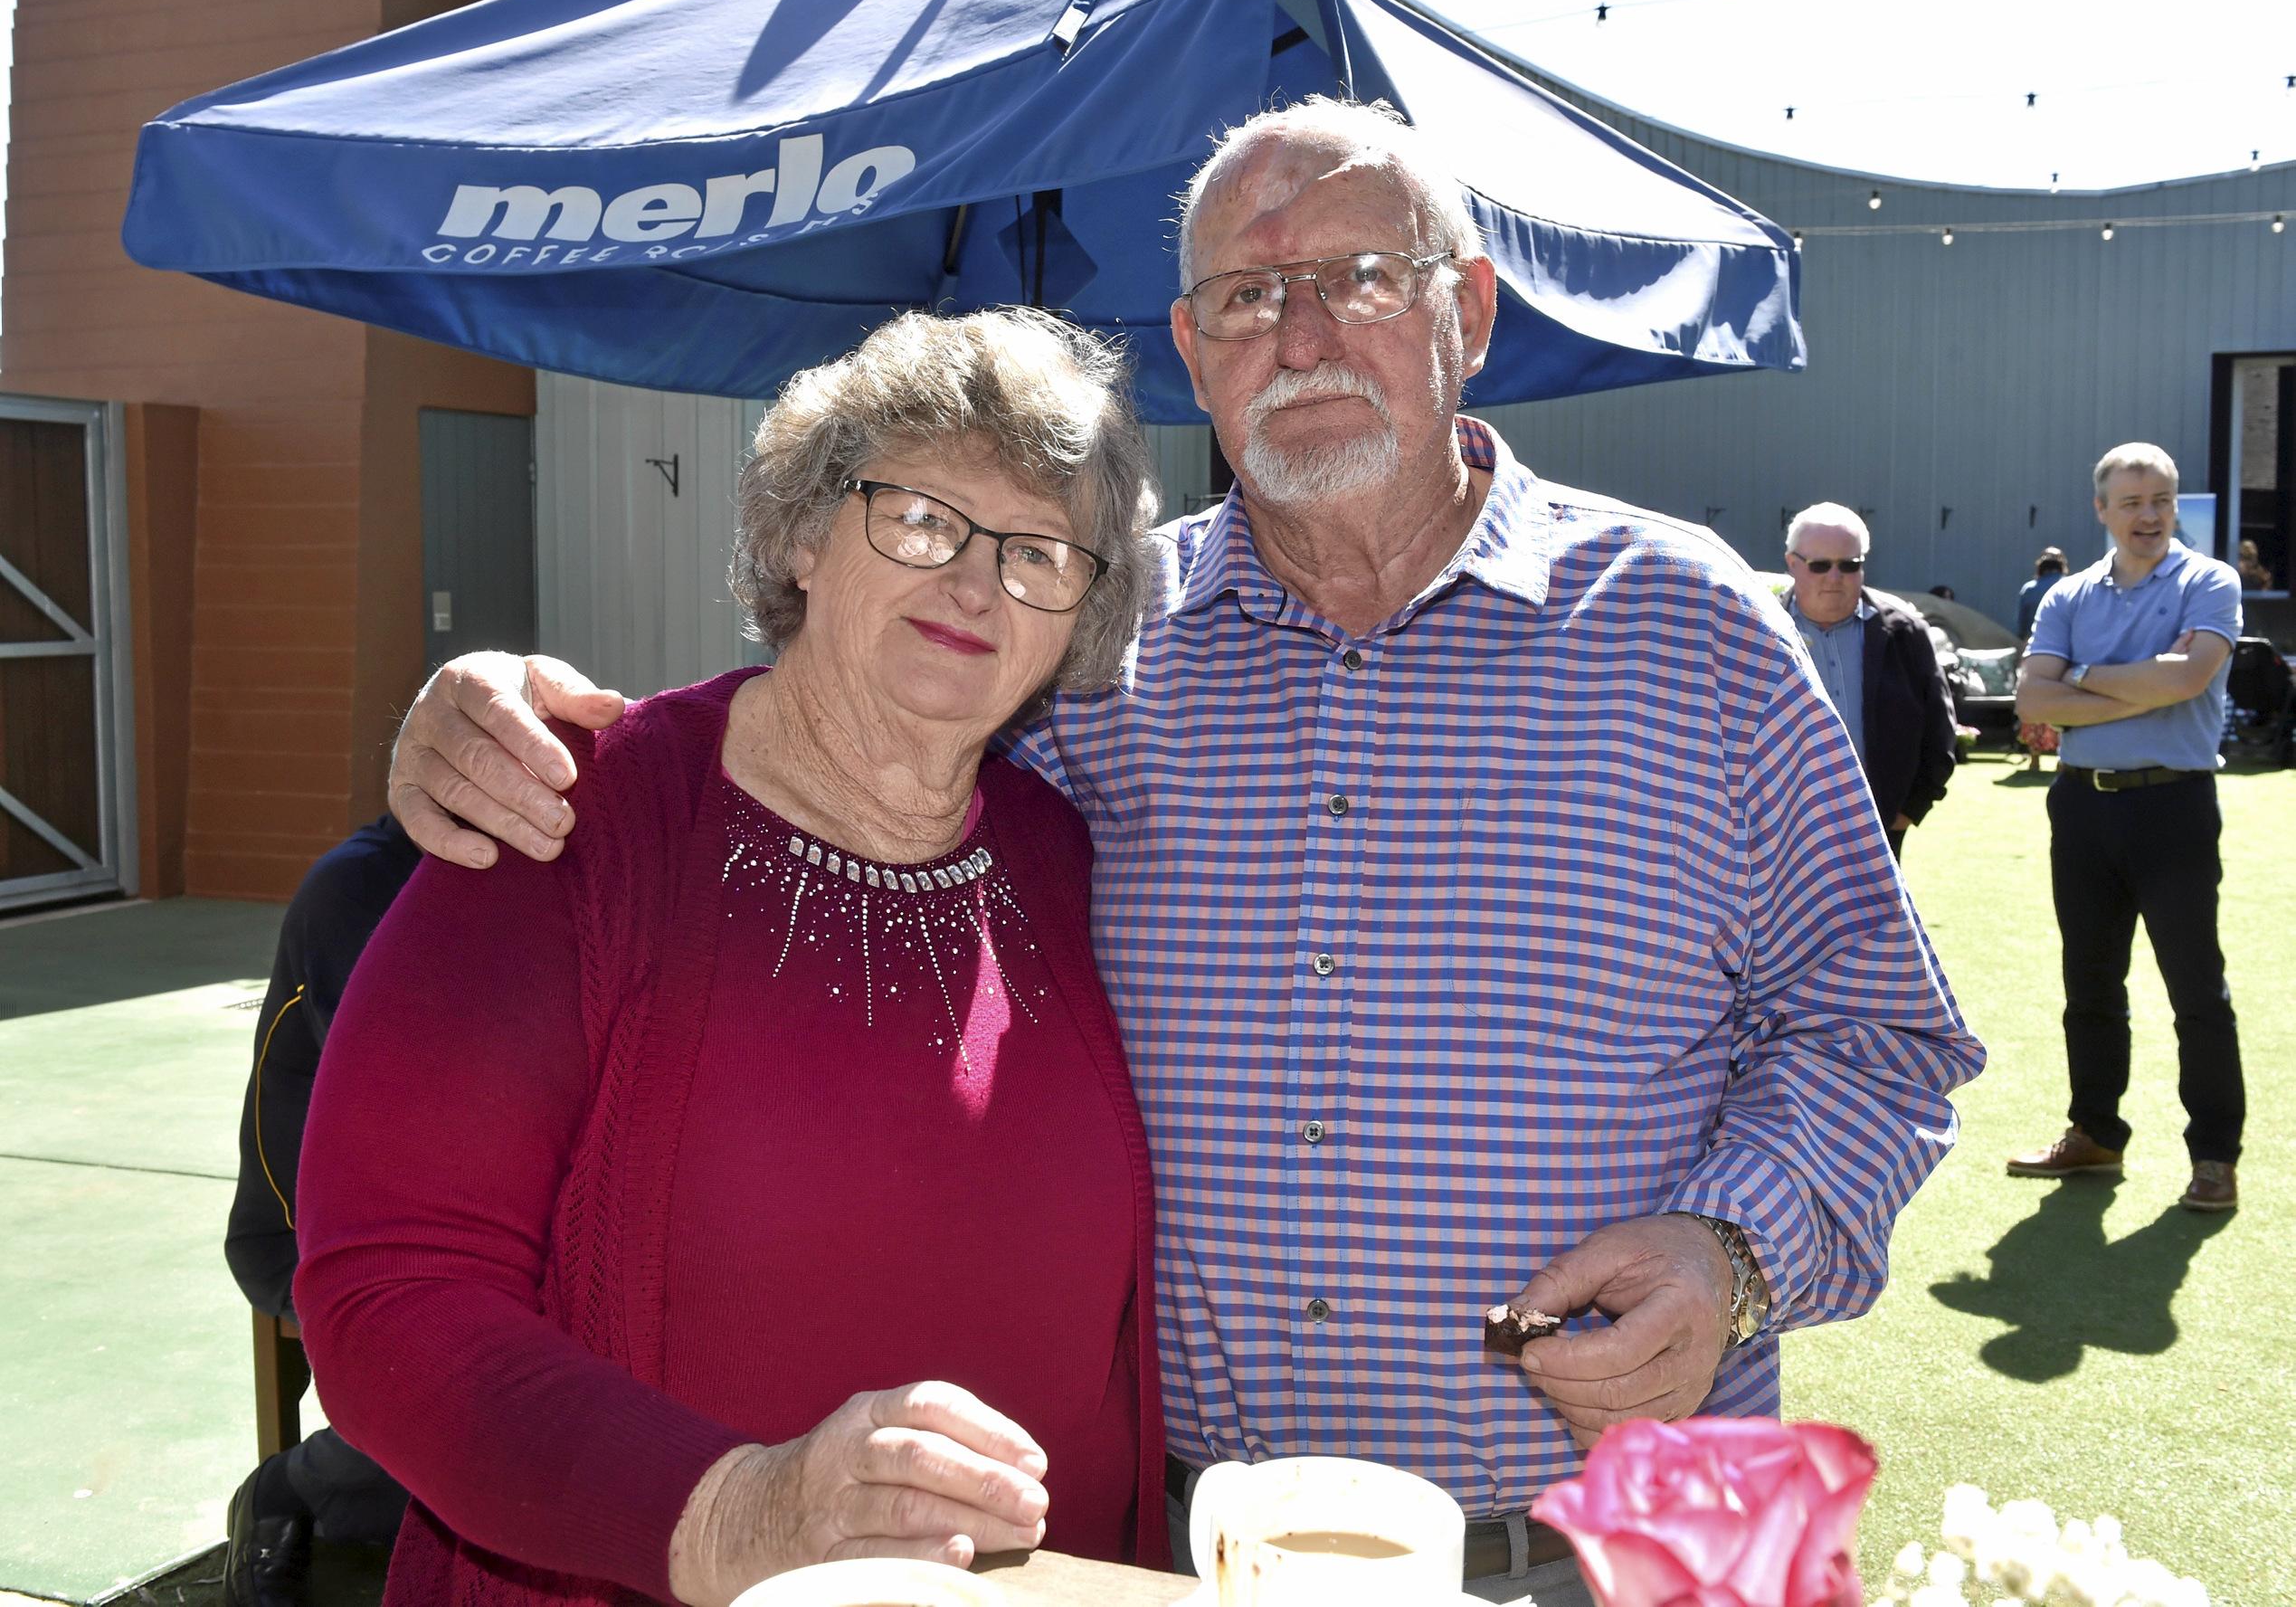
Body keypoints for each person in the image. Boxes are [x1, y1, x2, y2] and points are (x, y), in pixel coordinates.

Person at [386, 99, 1984, 1607]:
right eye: (1241, 297)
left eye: (1361, 278)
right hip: (1195, 1542)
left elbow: (1881, 1040)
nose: (1299, 336)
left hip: (1617, 1539)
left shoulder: (1688, 632)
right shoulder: (1087, 647)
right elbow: (839, 732)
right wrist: (494, 708)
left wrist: (1734, 1253)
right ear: (1190, 359)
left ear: (1469, 315)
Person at [293, 309, 1167, 1607]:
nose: (975, 584)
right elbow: (387, 1289)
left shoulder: (1054, 845)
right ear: (807, 531)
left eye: (1037, 552)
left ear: (1077, 619)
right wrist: (736, 1515)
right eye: (921, 518)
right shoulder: (567, 817)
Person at [2008, 442, 2244, 1214]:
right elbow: (2032, 701)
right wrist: (2145, 682)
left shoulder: (2210, 581)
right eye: (2133, 502)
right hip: (2082, 807)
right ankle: (2096, 1132)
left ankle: (2214, 1155)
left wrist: (2078, 678)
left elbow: (2189, 677)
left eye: (2162, 500)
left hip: (2172, 806)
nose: (2149, 515)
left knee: (2195, 989)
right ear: (2101, 510)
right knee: (2090, 982)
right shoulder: (2068, 595)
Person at [223, 814, 420, 1607]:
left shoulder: (539, 875)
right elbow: (409, 1111)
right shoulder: (361, 887)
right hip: (312, 1235)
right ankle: (293, 1488)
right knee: (498, 1373)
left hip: (445, 1217)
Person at [1781, 504, 1958, 860]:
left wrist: (1909, 811)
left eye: (1849, 565)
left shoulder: (1904, 634)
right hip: (1783, 835)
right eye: (1820, 565)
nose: (1835, 577)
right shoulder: (1762, 632)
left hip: (1876, 831)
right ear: (1792, 564)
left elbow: (1940, 732)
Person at [2018, 547, 2069, 642]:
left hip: (2035, 645)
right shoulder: (2071, 587)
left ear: (2040, 566)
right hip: (2065, 645)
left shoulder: (2029, 589)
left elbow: (2022, 626)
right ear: (2062, 566)